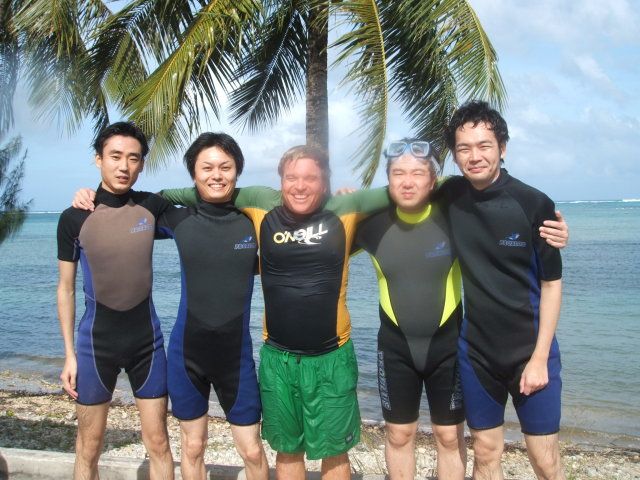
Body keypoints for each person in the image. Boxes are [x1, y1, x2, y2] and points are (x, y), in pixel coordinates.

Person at [160, 145, 390, 480]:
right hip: (277, 359)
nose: (300, 186)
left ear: (325, 182)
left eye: (310, 178)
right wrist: (107, 196)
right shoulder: (261, 202)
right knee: (287, 448)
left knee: (334, 452)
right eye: (291, 177)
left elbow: (402, 190)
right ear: (280, 181)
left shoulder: (344, 207)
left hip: (332, 356)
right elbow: (203, 189)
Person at [70, 132, 269, 480]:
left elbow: (295, 232)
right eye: (207, 167)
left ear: (238, 171)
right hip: (186, 355)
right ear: (193, 174)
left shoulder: (252, 220)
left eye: (225, 167)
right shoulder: (177, 219)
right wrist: (90, 195)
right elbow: (125, 209)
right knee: (192, 447)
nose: (216, 175)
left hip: (235, 357)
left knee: (252, 450)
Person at [440, 100, 566, 479]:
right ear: (455, 155)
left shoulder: (533, 203)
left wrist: (540, 358)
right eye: (464, 148)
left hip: (530, 350)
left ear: (503, 148)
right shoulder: (450, 196)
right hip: (477, 353)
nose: (474, 156)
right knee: (485, 454)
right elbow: (404, 191)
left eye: (484, 145)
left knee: (544, 459)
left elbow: (551, 285)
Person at [57, 122, 174, 479]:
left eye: (133, 158)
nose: (124, 166)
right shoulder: (74, 217)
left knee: (159, 443)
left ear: (142, 164)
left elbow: (201, 213)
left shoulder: (152, 206)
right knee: (89, 446)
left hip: (147, 344)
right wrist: (69, 355)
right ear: (99, 159)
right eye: (115, 156)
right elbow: (65, 288)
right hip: (96, 345)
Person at [353, 139, 466, 480]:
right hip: (395, 349)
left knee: (449, 436)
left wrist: (550, 233)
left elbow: (505, 229)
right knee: (399, 434)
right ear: (388, 181)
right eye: (398, 173)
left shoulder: (455, 219)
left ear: (433, 181)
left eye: (417, 173)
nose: (407, 181)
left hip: (449, 348)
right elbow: (321, 244)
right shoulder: (371, 226)